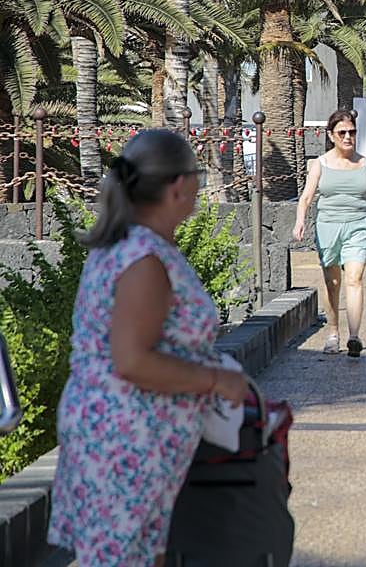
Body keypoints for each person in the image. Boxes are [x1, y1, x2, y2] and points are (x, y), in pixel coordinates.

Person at [49, 130, 249, 566]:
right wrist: (217, 380)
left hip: (130, 434)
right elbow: (132, 359)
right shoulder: (143, 259)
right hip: (125, 436)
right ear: (179, 185)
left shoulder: (134, 245)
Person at [293, 110, 366, 358]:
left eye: (352, 132)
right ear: (331, 136)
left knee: (355, 278)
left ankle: (354, 336)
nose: (348, 137)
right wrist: (300, 221)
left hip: (358, 226)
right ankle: (333, 332)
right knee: (333, 284)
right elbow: (307, 196)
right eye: (342, 133)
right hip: (328, 226)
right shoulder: (321, 164)